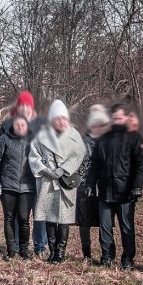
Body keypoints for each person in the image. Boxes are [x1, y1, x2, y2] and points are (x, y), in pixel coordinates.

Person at [86, 102, 143, 269]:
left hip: (125, 192)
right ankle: (107, 255)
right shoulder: (103, 138)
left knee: (126, 228)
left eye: (119, 118)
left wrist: (137, 186)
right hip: (105, 190)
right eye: (114, 118)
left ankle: (127, 258)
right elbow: (95, 164)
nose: (116, 121)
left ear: (126, 118)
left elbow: (141, 165)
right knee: (105, 227)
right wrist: (90, 184)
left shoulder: (134, 137)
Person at [29, 100, 87, 264]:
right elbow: (34, 156)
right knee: (49, 217)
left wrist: (63, 169)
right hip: (47, 182)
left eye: (64, 118)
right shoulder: (42, 136)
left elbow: (79, 155)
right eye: (58, 118)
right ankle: (52, 250)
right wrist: (45, 170)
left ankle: (60, 252)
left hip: (65, 182)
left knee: (63, 218)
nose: (62, 121)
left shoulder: (74, 136)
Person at [0, 90, 48, 256]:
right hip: (13, 179)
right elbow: (0, 152)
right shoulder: (7, 125)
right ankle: (20, 245)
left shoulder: (41, 124)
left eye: (28, 106)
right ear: (18, 107)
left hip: (37, 178)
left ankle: (40, 245)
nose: (24, 109)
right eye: (22, 105)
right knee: (21, 215)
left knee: (39, 214)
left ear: (32, 107)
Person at [0, 115, 36, 260]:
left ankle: (24, 249)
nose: (20, 127)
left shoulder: (33, 141)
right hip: (8, 185)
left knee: (24, 219)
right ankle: (11, 249)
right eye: (17, 125)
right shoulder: (5, 139)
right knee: (9, 218)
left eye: (23, 125)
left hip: (27, 187)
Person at [75, 105, 110, 260]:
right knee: (85, 220)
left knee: (105, 220)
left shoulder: (109, 142)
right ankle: (86, 253)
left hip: (104, 185)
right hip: (84, 184)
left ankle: (106, 253)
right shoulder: (82, 141)